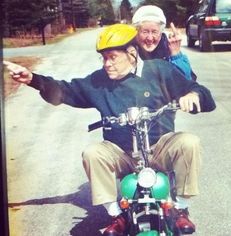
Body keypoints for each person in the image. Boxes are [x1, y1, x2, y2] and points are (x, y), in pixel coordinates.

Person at [4, 23, 216, 236]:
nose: (107, 64)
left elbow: (197, 89)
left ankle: (180, 207)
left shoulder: (160, 70)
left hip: (160, 147)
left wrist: (193, 96)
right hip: (121, 153)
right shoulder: (99, 81)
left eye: (112, 57)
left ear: (131, 53)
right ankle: (117, 214)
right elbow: (65, 91)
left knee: (189, 142)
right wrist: (32, 79)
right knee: (92, 153)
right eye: (104, 58)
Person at [132, 5, 196, 81]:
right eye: (145, 32)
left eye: (154, 32)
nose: (150, 38)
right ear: (136, 32)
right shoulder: (128, 51)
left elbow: (187, 82)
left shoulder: (169, 49)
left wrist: (176, 55)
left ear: (161, 32)